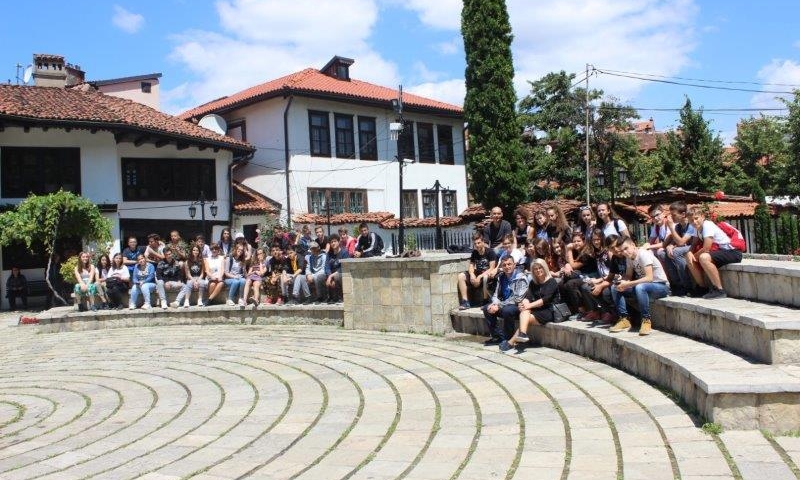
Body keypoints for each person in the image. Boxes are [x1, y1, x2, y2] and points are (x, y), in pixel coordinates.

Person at [608, 237, 671, 335]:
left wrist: (628, 284)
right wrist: (621, 282)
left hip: (661, 286)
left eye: (626, 248)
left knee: (640, 287)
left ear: (633, 245)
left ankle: (646, 320)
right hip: (644, 287)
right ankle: (624, 319)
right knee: (615, 288)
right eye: (622, 251)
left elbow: (649, 278)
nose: (625, 252)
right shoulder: (629, 257)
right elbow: (628, 276)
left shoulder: (643, 254)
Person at [501, 258, 561, 352]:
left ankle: (512, 341)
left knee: (525, 318)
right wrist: (522, 304)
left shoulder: (551, 282)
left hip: (549, 310)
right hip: (537, 309)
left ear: (544, 268)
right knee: (525, 312)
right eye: (535, 269)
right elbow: (528, 297)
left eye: (540, 268)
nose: (538, 270)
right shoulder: (533, 283)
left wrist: (528, 306)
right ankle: (522, 335)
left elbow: (544, 300)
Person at [685, 206, 742, 299]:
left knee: (703, 257)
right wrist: (690, 253)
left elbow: (706, 248)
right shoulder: (696, 227)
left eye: (696, 218)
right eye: (691, 220)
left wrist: (694, 256)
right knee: (688, 256)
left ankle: (719, 290)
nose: (694, 222)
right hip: (719, 252)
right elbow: (694, 243)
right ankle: (702, 288)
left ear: (702, 216)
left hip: (732, 252)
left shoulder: (707, 225)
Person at [482, 256, 529, 346]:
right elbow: (496, 293)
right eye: (504, 265)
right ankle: (497, 337)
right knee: (486, 308)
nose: (507, 267)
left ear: (514, 265)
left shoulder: (521, 278)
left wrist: (499, 305)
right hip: (503, 304)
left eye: (509, 264)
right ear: (502, 267)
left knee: (507, 311)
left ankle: (508, 339)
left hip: (517, 306)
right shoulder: (501, 277)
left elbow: (518, 298)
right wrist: (494, 303)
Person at [659, 201, 696, 296]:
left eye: (674, 215)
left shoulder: (690, 225)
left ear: (683, 214)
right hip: (684, 248)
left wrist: (671, 228)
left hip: (694, 247)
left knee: (676, 252)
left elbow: (681, 242)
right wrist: (670, 246)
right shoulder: (678, 226)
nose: (671, 217)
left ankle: (687, 286)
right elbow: (672, 242)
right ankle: (676, 284)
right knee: (662, 253)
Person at [457, 233, 498, 309]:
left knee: (485, 277)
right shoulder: (474, 252)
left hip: (487, 274)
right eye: (475, 243)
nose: (477, 245)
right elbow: (471, 266)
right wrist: (472, 274)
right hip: (477, 273)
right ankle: (465, 301)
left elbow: (492, 268)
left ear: (483, 242)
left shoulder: (490, 252)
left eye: (479, 243)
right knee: (461, 276)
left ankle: (485, 301)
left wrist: (479, 277)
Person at [325, 233, 350, 303]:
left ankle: (339, 297)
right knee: (320, 277)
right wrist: (329, 275)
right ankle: (327, 297)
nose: (333, 243)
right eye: (331, 242)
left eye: (335, 241)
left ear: (339, 242)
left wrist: (331, 276)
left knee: (337, 277)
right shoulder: (329, 254)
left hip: (342, 273)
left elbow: (344, 267)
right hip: (331, 274)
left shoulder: (344, 252)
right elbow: (327, 267)